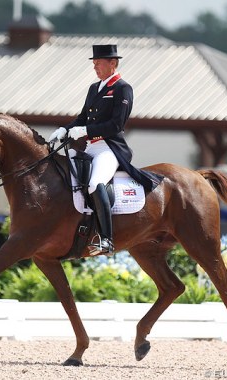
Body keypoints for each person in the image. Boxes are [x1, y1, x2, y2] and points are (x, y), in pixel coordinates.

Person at [49, 44, 162, 254]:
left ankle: (106, 239)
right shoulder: (94, 88)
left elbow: (116, 125)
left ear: (113, 63)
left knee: (95, 183)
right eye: (94, 63)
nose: (95, 67)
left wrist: (85, 131)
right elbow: (82, 117)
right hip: (91, 147)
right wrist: (65, 129)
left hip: (109, 148)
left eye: (98, 63)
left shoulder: (122, 88)